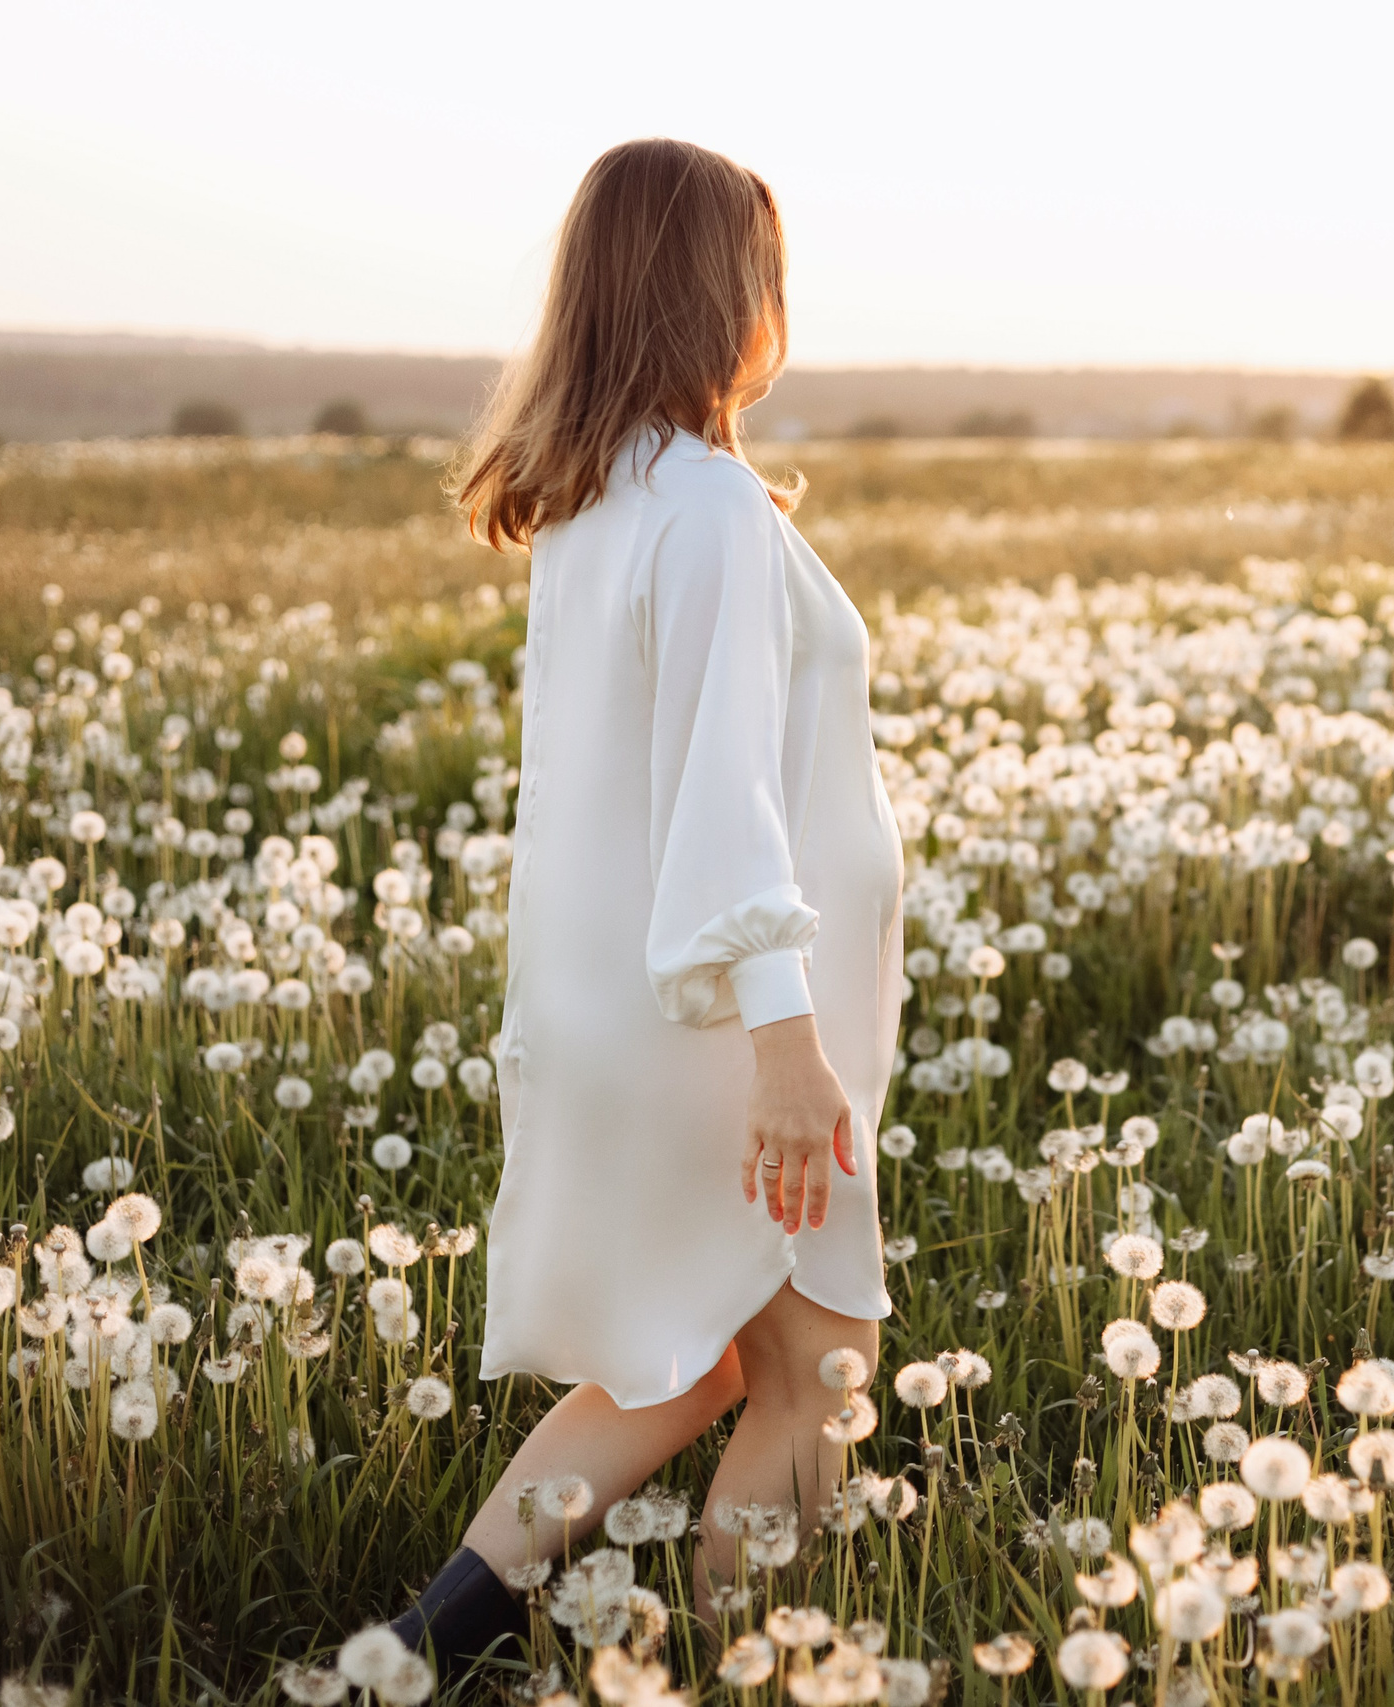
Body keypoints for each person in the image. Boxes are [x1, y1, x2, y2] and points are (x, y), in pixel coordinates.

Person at [386, 137, 904, 1674]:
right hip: (726, 1030)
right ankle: (742, 1669)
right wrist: (788, 1052)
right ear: (721, 294)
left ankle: (422, 1649)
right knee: (820, 1371)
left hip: (622, 1005)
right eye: (771, 274)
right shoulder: (716, 511)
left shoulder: (598, 501)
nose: (781, 305)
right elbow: (726, 806)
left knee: (681, 1367)